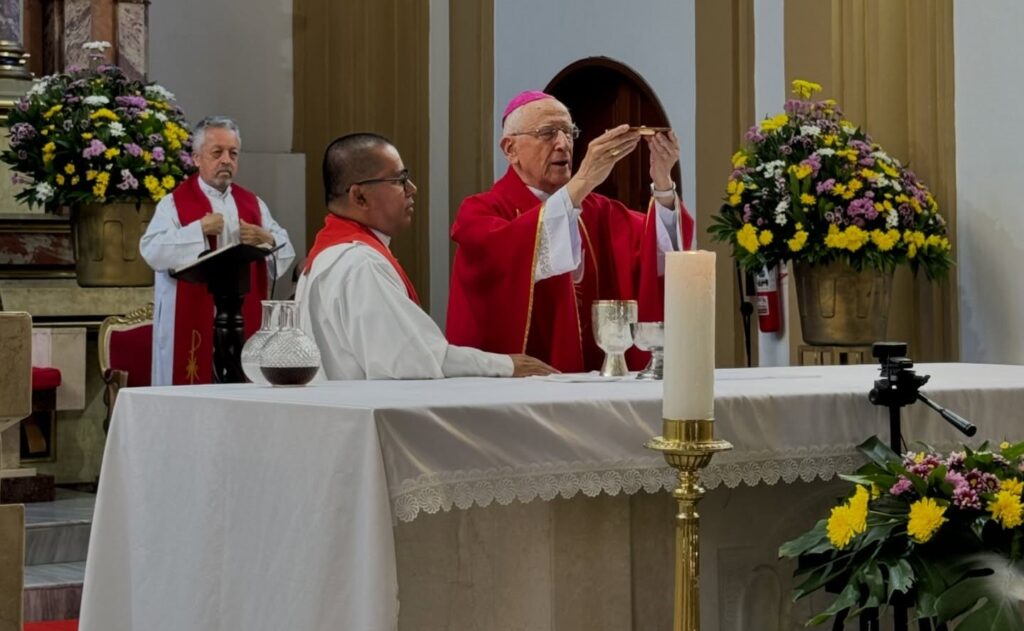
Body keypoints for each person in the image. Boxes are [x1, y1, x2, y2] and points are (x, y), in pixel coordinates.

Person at [447, 91, 695, 373]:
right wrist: (584, 180)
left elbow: (660, 259)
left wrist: (662, 181)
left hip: (593, 381)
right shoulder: (479, 212)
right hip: (518, 388)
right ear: (510, 149)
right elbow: (509, 257)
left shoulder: (598, 210)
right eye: (548, 133)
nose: (563, 144)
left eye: (569, 132)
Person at [296, 132, 555, 380]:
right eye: (398, 180)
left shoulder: (328, 255)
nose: (412, 188)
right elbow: (414, 360)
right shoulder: (360, 262)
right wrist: (506, 365)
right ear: (359, 196)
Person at [140, 116, 295, 385]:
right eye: (217, 152)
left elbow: (284, 251)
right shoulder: (174, 204)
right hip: (194, 322)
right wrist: (197, 230)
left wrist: (265, 238)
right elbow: (152, 250)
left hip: (239, 319)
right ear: (197, 158)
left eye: (233, 153)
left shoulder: (252, 204)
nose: (226, 160)